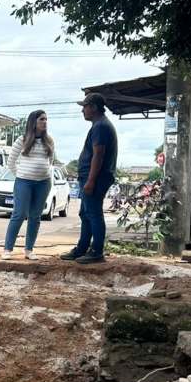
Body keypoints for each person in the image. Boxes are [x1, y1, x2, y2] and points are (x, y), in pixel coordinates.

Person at [60, 93, 117, 265]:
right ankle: (82, 249)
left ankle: (96, 251)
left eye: (84, 107)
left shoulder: (101, 126)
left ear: (93, 107)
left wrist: (91, 181)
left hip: (96, 178)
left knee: (93, 214)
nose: (82, 111)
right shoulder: (100, 125)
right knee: (85, 213)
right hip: (92, 177)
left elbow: (98, 155)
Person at [3, 109, 55, 260]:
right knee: (19, 214)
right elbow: (11, 162)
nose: (45, 122)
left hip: (43, 183)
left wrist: (43, 172)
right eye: (41, 119)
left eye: (46, 119)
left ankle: (29, 250)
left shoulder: (49, 140)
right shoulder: (22, 139)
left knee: (35, 216)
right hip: (24, 182)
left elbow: (50, 161)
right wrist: (21, 174)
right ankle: (7, 249)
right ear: (34, 122)